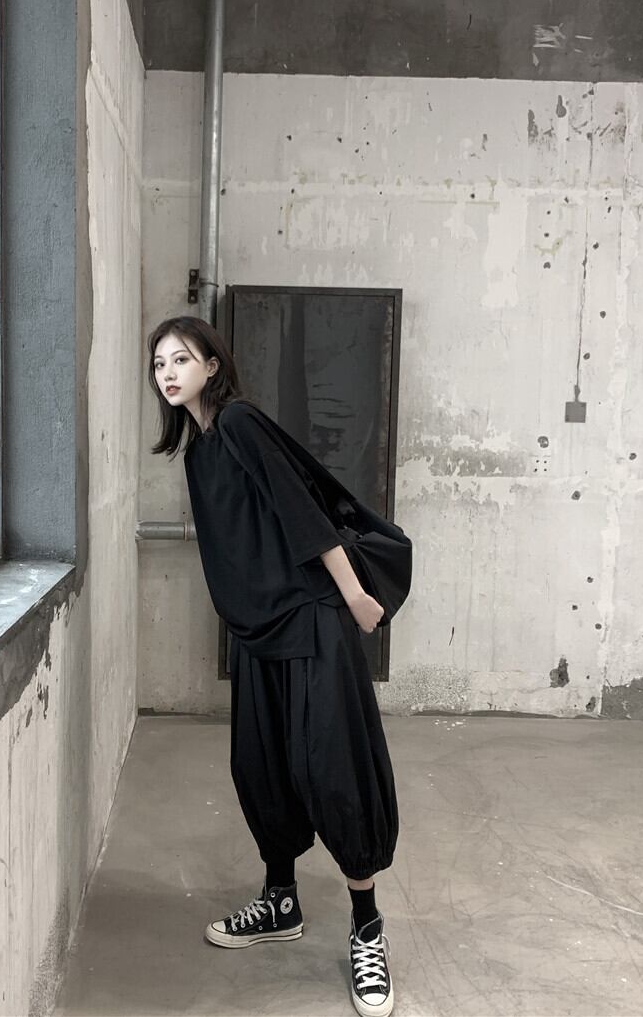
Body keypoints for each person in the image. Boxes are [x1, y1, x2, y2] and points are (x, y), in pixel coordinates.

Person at [148, 314, 399, 1017]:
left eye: (181, 359)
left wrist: (356, 597)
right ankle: (281, 900)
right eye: (159, 364)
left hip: (312, 621)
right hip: (258, 633)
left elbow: (302, 512)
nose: (168, 373)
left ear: (212, 365)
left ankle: (367, 927)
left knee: (334, 769)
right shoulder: (199, 453)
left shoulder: (239, 423)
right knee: (263, 768)